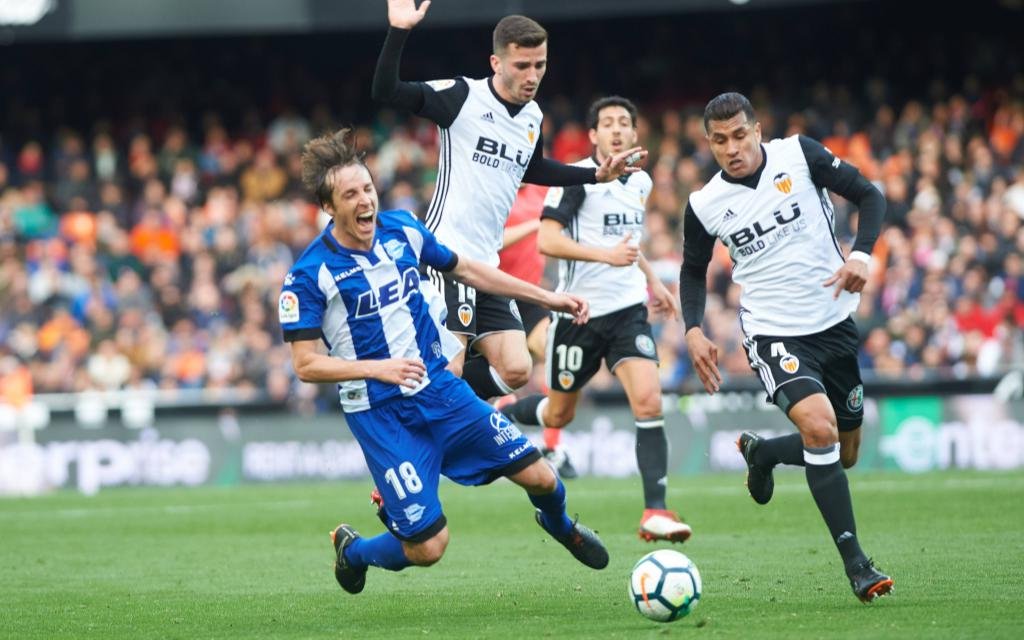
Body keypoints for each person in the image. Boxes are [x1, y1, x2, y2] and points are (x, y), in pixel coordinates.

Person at [281, 129, 609, 595]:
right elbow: (306, 365)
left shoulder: (404, 230)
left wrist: (547, 297)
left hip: (440, 391)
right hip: (380, 413)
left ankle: (561, 526)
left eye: (367, 188)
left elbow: (471, 268)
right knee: (429, 547)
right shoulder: (309, 275)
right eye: (350, 194)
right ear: (329, 207)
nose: (364, 200)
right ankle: (353, 551)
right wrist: (380, 368)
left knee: (541, 476)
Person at [371, 0, 644, 403]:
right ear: (496, 62)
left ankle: (433, 403)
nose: (533, 75)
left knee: (517, 369)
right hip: (447, 255)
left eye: (540, 65)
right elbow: (386, 91)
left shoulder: (532, 117)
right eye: (522, 66)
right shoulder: (462, 97)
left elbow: (532, 169)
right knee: (454, 362)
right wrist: (399, 31)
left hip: (489, 266)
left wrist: (594, 174)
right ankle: (440, 421)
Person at [678, 92, 893, 602]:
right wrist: (693, 328)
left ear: (757, 130)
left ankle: (766, 453)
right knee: (820, 428)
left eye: (739, 135)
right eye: (719, 140)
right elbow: (691, 269)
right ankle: (857, 566)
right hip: (774, 330)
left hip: (834, 322)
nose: (732, 148)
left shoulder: (800, 155)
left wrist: (862, 255)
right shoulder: (704, 204)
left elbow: (871, 195)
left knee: (845, 451)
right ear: (709, 143)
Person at [502, 97, 691, 543]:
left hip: (628, 313)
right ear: (593, 136)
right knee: (558, 414)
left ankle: (655, 511)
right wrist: (606, 256)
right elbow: (548, 241)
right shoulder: (575, 180)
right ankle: (510, 410)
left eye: (625, 122)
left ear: (634, 134)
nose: (617, 130)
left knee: (649, 403)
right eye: (608, 123)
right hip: (578, 315)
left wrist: (652, 281)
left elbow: (627, 241)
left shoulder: (640, 182)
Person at [497, 183, 579, 478]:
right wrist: (536, 224)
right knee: (501, 371)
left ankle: (553, 447)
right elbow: (491, 241)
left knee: (557, 358)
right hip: (494, 293)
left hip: (531, 296)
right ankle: (502, 419)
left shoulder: (541, 190)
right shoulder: (495, 190)